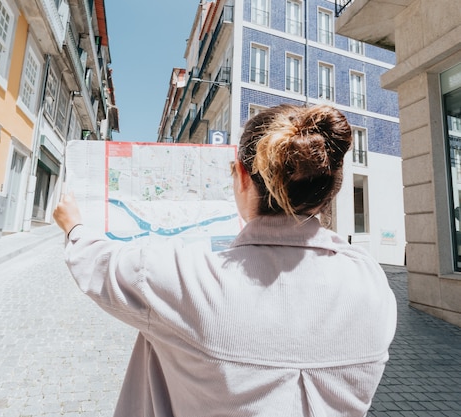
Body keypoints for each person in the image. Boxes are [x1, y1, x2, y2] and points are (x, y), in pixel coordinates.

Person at [53, 104, 397, 417]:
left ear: (243, 178)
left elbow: (102, 263)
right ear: (330, 190)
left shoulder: (186, 277)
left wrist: (74, 226)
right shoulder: (371, 282)